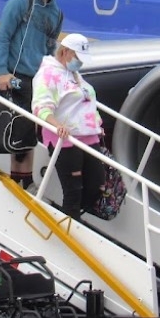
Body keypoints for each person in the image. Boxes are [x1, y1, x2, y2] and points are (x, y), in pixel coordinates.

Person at [0, 0, 63, 187]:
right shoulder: (21, 3)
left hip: (38, 78)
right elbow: (2, 37)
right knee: (19, 125)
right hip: (15, 74)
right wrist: (2, 71)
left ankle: (26, 177)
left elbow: (50, 48)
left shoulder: (56, 14)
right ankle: (17, 176)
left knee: (32, 127)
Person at [31, 33, 105, 219]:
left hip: (88, 135)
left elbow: (86, 100)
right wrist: (56, 125)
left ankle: (72, 219)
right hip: (65, 140)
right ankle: (71, 222)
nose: (80, 63)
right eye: (78, 58)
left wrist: (97, 122)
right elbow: (41, 106)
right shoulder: (48, 74)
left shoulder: (74, 74)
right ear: (64, 52)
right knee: (73, 189)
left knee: (97, 184)